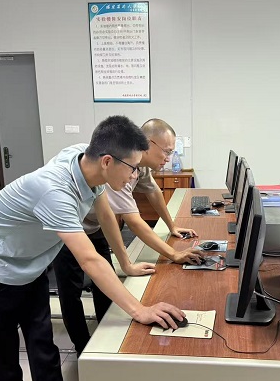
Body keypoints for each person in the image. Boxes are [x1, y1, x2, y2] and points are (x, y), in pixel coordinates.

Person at [0, 115, 186, 381]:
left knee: (42, 344)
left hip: (30, 262)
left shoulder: (87, 159)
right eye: (132, 169)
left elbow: (105, 215)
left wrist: (125, 263)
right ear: (108, 161)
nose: (135, 176)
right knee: (4, 346)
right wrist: (139, 310)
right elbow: (90, 261)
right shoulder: (55, 192)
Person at [53, 119, 204, 355]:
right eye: (166, 151)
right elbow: (133, 220)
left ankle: (106, 338)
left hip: (93, 226)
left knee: (105, 279)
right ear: (149, 143)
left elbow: (119, 209)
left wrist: (171, 226)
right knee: (71, 291)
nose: (168, 158)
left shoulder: (132, 165)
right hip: (66, 231)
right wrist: (172, 255)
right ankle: (83, 349)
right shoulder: (118, 167)